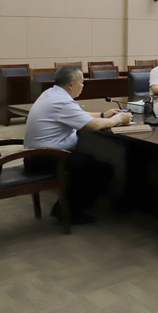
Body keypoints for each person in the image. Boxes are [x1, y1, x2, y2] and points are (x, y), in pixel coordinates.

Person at [24, 65, 133, 224]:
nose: (83, 85)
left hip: (36, 155)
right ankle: (69, 213)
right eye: (81, 82)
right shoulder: (62, 101)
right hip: (46, 158)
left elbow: (78, 114)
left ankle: (63, 207)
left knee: (87, 161)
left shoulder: (51, 93)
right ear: (71, 84)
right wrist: (119, 119)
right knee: (101, 169)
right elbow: (93, 125)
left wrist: (103, 114)